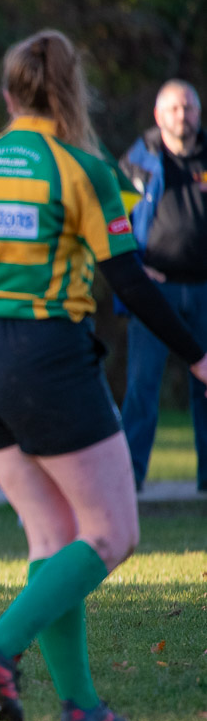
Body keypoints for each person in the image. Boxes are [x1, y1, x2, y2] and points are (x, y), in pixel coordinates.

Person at [0, 30, 207, 721]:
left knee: (54, 535)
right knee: (114, 534)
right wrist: (198, 354)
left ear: (6, 96)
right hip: (45, 356)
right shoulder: (82, 167)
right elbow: (127, 275)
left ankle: (81, 706)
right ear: (73, 93)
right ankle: (0, 646)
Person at [119, 79, 207, 492]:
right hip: (155, 292)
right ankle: (129, 480)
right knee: (142, 386)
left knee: (205, 387)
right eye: (174, 108)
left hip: (204, 289)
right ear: (159, 115)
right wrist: (136, 268)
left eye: (188, 107)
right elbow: (113, 224)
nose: (182, 115)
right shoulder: (138, 162)